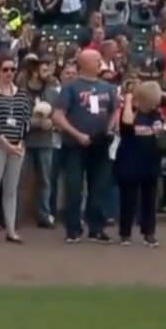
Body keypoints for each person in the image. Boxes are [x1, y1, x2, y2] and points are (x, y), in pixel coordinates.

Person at [52, 50, 119, 244]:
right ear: (85, 63)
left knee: (99, 187)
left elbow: (115, 111)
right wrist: (78, 135)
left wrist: (109, 128)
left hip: (100, 144)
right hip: (75, 145)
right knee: (74, 187)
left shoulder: (107, 87)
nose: (100, 63)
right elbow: (58, 116)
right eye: (96, 60)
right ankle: (73, 229)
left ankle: (96, 228)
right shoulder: (71, 88)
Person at [113, 81, 166, 247]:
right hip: (129, 162)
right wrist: (129, 99)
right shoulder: (131, 111)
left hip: (151, 161)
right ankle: (125, 233)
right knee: (128, 200)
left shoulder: (156, 113)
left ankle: (149, 233)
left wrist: (160, 93)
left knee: (150, 200)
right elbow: (127, 122)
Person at [0, 58, 31, 245]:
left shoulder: (22, 95)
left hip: (17, 146)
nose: (9, 73)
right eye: (5, 69)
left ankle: (11, 230)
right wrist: (6, 143)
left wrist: (20, 142)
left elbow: (26, 120)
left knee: (11, 189)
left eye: (13, 69)